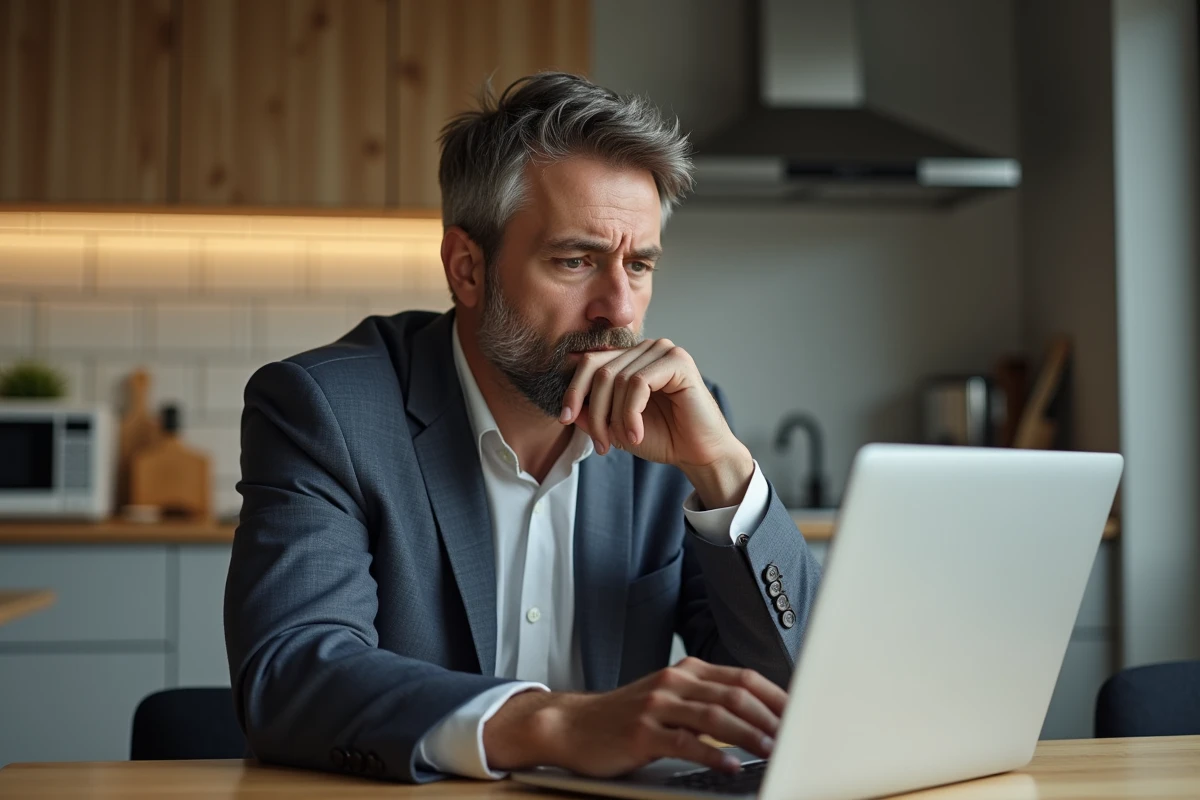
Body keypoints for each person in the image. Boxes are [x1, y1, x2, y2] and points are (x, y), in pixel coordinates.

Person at [224, 72, 822, 784]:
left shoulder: (676, 421)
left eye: (639, 265)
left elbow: (800, 697)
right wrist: (553, 722)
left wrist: (725, 475)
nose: (619, 310)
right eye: (576, 261)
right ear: (467, 269)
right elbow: (291, 675)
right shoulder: (326, 410)